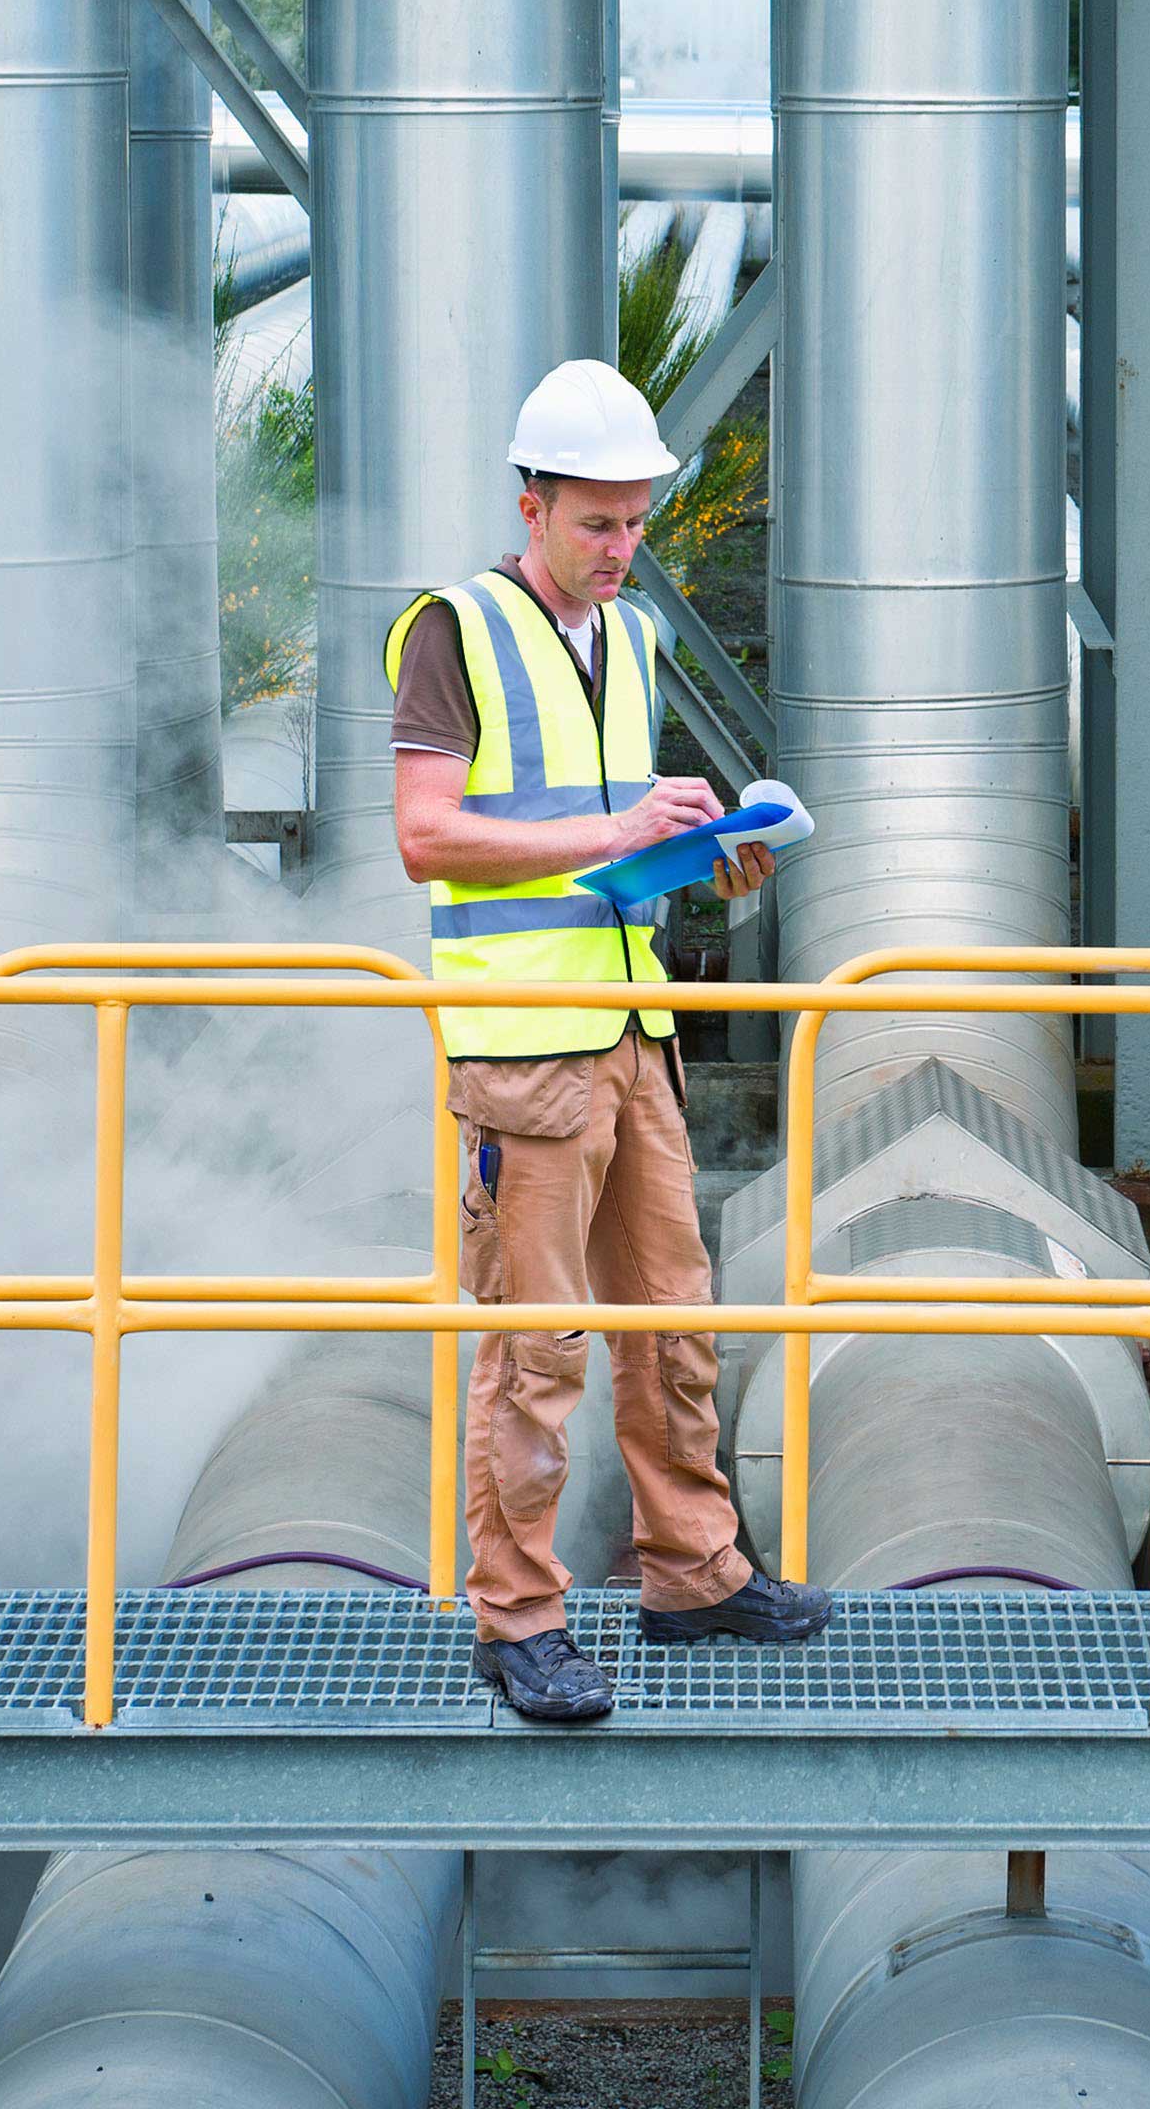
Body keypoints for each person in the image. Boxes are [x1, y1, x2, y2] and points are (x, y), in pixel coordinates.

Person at [384, 357, 836, 1723]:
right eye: (598, 522)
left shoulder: (629, 638)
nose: (623, 548)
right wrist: (615, 830)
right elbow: (428, 838)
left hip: (634, 1029)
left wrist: (704, 850)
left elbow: (599, 827)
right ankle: (516, 1620)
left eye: (638, 521)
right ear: (531, 505)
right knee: (539, 1350)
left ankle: (693, 1574)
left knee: (672, 1323)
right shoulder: (451, 630)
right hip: (522, 1051)